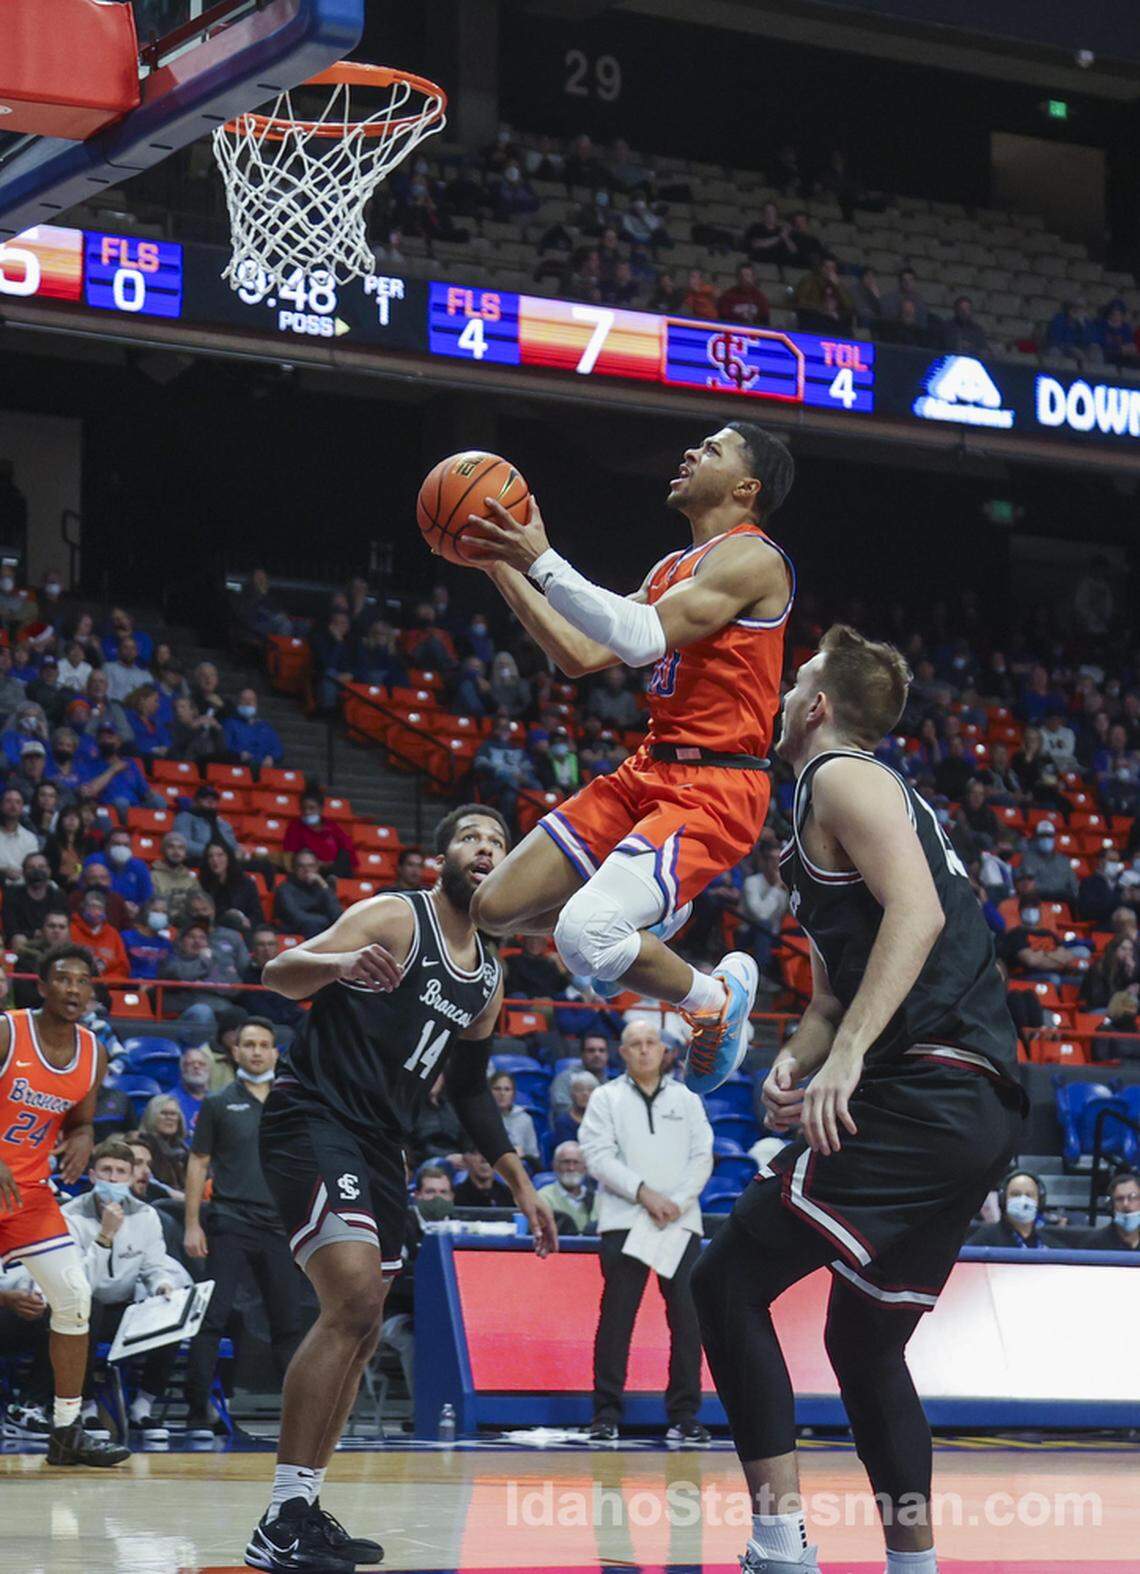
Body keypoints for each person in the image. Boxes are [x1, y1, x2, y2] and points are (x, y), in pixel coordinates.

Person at [691, 625, 1026, 1574]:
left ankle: (779, 1543)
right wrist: (798, 1059)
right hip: (972, 1100)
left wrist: (850, 1063)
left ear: (818, 707)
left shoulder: (843, 776)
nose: (785, 690)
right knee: (865, 1340)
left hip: (930, 1080)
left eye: (796, 678)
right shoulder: (837, 807)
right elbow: (837, 994)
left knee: (725, 1283)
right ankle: (913, 1564)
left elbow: (917, 919)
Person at [247, 805, 556, 1570]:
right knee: (351, 1298)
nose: (486, 848)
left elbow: (474, 1092)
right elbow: (277, 974)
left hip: (384, 1144)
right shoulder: (393, 916)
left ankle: (303, 1506)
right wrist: (336, 965)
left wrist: (521, 1182)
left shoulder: (489, 974)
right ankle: (279, 1515)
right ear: (442, 858)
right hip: (315, 1115)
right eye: (471, 838)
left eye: (498, 842)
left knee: (365, 1319)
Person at [467, 423, 796, 1096]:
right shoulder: (670, 568)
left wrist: (543, 556)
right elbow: (579, 654)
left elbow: (643, 639)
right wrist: (497, 562)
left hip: (715, 785)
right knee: (492, 907)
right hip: (649, 770)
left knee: (586, 939)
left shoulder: (756, 559)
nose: (689, 452)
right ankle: (654, 915)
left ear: (745, 487)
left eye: (711, 450)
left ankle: (711, 998)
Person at [0, 943, 129, 1465]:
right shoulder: (8, 1030)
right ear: (42, 986)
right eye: (63, 979)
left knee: (75, 1297)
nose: (74, 989)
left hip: (30, 1196)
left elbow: (80, 1120)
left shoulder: (93, 1051)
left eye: (83, 981)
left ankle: (65, 1430)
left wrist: (83, 1135)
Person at [578, 1016, 713, 1443]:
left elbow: (703, 1155)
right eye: (634, 1043)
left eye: (650, 1042)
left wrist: (676, 1201)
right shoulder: (605, 1098)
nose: (642, 1049)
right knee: (617, 1320)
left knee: (688, 1323)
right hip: (625, 1220)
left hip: (680, 1221)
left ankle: (685, 1415)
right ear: (621, 1053)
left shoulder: (689, 1099)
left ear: (664, 1049)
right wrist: (645, 1194)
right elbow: (597, 1156)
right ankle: (605, 1414)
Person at [182, 1019, 304, 1435]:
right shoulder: (218, 1103)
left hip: (280, 1227)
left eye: (264, 1045)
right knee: (212, 1319)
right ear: (234, 1052)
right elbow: (198, 1162)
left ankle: (300, 1417)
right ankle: (198, 1411)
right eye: (248, 1044)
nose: (255, 1051)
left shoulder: (292, 1101)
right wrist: (192, 1223)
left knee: (288, 1323)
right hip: (230, 1221)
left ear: (275, 1052)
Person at [61, 1136, 185, 1430]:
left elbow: (155, 1266)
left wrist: (162, 1285)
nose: (112, 1178)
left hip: (125, 1308)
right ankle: (87, 1406)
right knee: (86, 1307)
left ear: (130, 1178)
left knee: (172, 1310)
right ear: (92, 1176)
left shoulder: (146, 1215)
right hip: (83, 1307)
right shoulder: (70, 1215)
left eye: (120, 1172)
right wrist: (105, 1236)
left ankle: (143, 1406)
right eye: (106, 1170)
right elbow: (78, 1281)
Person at [967, 1172, 1059, 1249]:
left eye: (1029, 1195)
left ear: (1040, 1201)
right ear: (1003, 1200)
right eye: (1016, 1194)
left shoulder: (1049, 1244)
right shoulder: (984, 1239)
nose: (1023, 1201)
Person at [283, 787, 357, 877]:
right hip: (306, 871)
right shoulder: (295, 827)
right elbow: (289, 854)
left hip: (332, 871)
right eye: (304, 809)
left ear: (320, 809)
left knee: (344, 855)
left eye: (311, 808)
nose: (307, 812)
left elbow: (347, 848)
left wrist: (329, 864)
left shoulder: (332, 827)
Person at [274, 848, 343, 938]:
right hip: (295, 933)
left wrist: (324, 886)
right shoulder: (285, 889)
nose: (306, 870)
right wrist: (327, 921)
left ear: (317, 868)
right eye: (301, 866)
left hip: (321, 932)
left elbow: (338, 916)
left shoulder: (322, 886)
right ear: (294, 868)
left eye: (311, 866)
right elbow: (297, 917)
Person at [3, 851, 65, 948]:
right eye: (31, 867)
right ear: (23, 872)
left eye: (41, 867)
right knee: (18, 939)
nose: (37, 871)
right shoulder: (12, 895)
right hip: (24, 943)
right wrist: (35, 933)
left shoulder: (58, 896)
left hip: (51, 939)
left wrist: (44, 933)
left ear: (49, 871)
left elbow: (63, 924)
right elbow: (11, 929)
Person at [200, 838, 264, 932]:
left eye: (220, 855)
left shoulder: (246, 883)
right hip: (215, 930)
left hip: (244, 929)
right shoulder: (202, 883)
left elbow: (257, 914)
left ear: (228, 857)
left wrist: (248, 922)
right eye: (210, 856)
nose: (215, 860)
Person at [537, 1140, 597, 1235]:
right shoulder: (543, 1198)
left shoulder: (598, 1200)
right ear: (555, 1166)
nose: (571, 1168)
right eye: (566, 1162)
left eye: (576, 1162)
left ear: (585, 1167)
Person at [70, 889, 129, 979]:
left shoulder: (113, 934)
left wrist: (105, 981)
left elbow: (122, 967)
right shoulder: (71, 930)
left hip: (107, 986)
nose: (96, 912)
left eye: (100, 908)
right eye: (92, 907)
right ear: (83, 908)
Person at [550, 1033, 613, 1118]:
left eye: (601, 1050)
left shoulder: (611, 1084)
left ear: (607, 1055)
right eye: (591, 1050)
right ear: (582, 1055)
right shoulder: (566, 1079)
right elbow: (561, 1109)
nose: (597, 1055)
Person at [1075, 1171, 1140, 1252]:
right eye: (1119, 1199)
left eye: (1132, 1197)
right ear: (1111, 1206)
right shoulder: (1094, 1243)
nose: (1125, 1204)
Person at [223, 687, 284, 771]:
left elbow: (278, 748)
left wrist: (271, 757)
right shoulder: (230, 724)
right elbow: (226, 746)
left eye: (251, 700)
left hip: (266, 769)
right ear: (238, 703)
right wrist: (239, 754)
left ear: (256, 704)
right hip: (241, 768)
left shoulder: (265, 727)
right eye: (244, 699)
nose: (248, 703)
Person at [150, 831, 203, 924]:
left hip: (188, 924)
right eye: (171, 847)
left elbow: (198, 904)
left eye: (181, 848)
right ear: (163, 850)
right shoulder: (153, 876)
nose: (176, 851)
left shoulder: (190, 878)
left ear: (185, 853)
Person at [489, 1070, 539, 1165]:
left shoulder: (525, 1119)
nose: (502, 1093)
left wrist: (523, 1156)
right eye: (497, 1089)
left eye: (507, 1089)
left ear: (513, 1094)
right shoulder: (480, 1117)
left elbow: (533, 1156)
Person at [453, 1133, 516, 1206]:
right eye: (476, 1153)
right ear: (465, 1159)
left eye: (491, 1152)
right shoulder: (457, 1197)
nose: (485, 1159)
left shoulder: (508, 1196)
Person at [0, 786, 40, 882]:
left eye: (18, 802)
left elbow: (33, 867)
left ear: (22, 808)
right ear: (1, 805)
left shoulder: (30, 838)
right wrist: (2, 871)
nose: (13, 805)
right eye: (8, 801)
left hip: (22, 888)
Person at [173, 1044, 213, 1133]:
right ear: (182, 1069)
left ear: (209, 1069)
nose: (196, 1067)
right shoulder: (171, 1101)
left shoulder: (218, 1101)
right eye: (190, 1064)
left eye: (201, 1064)